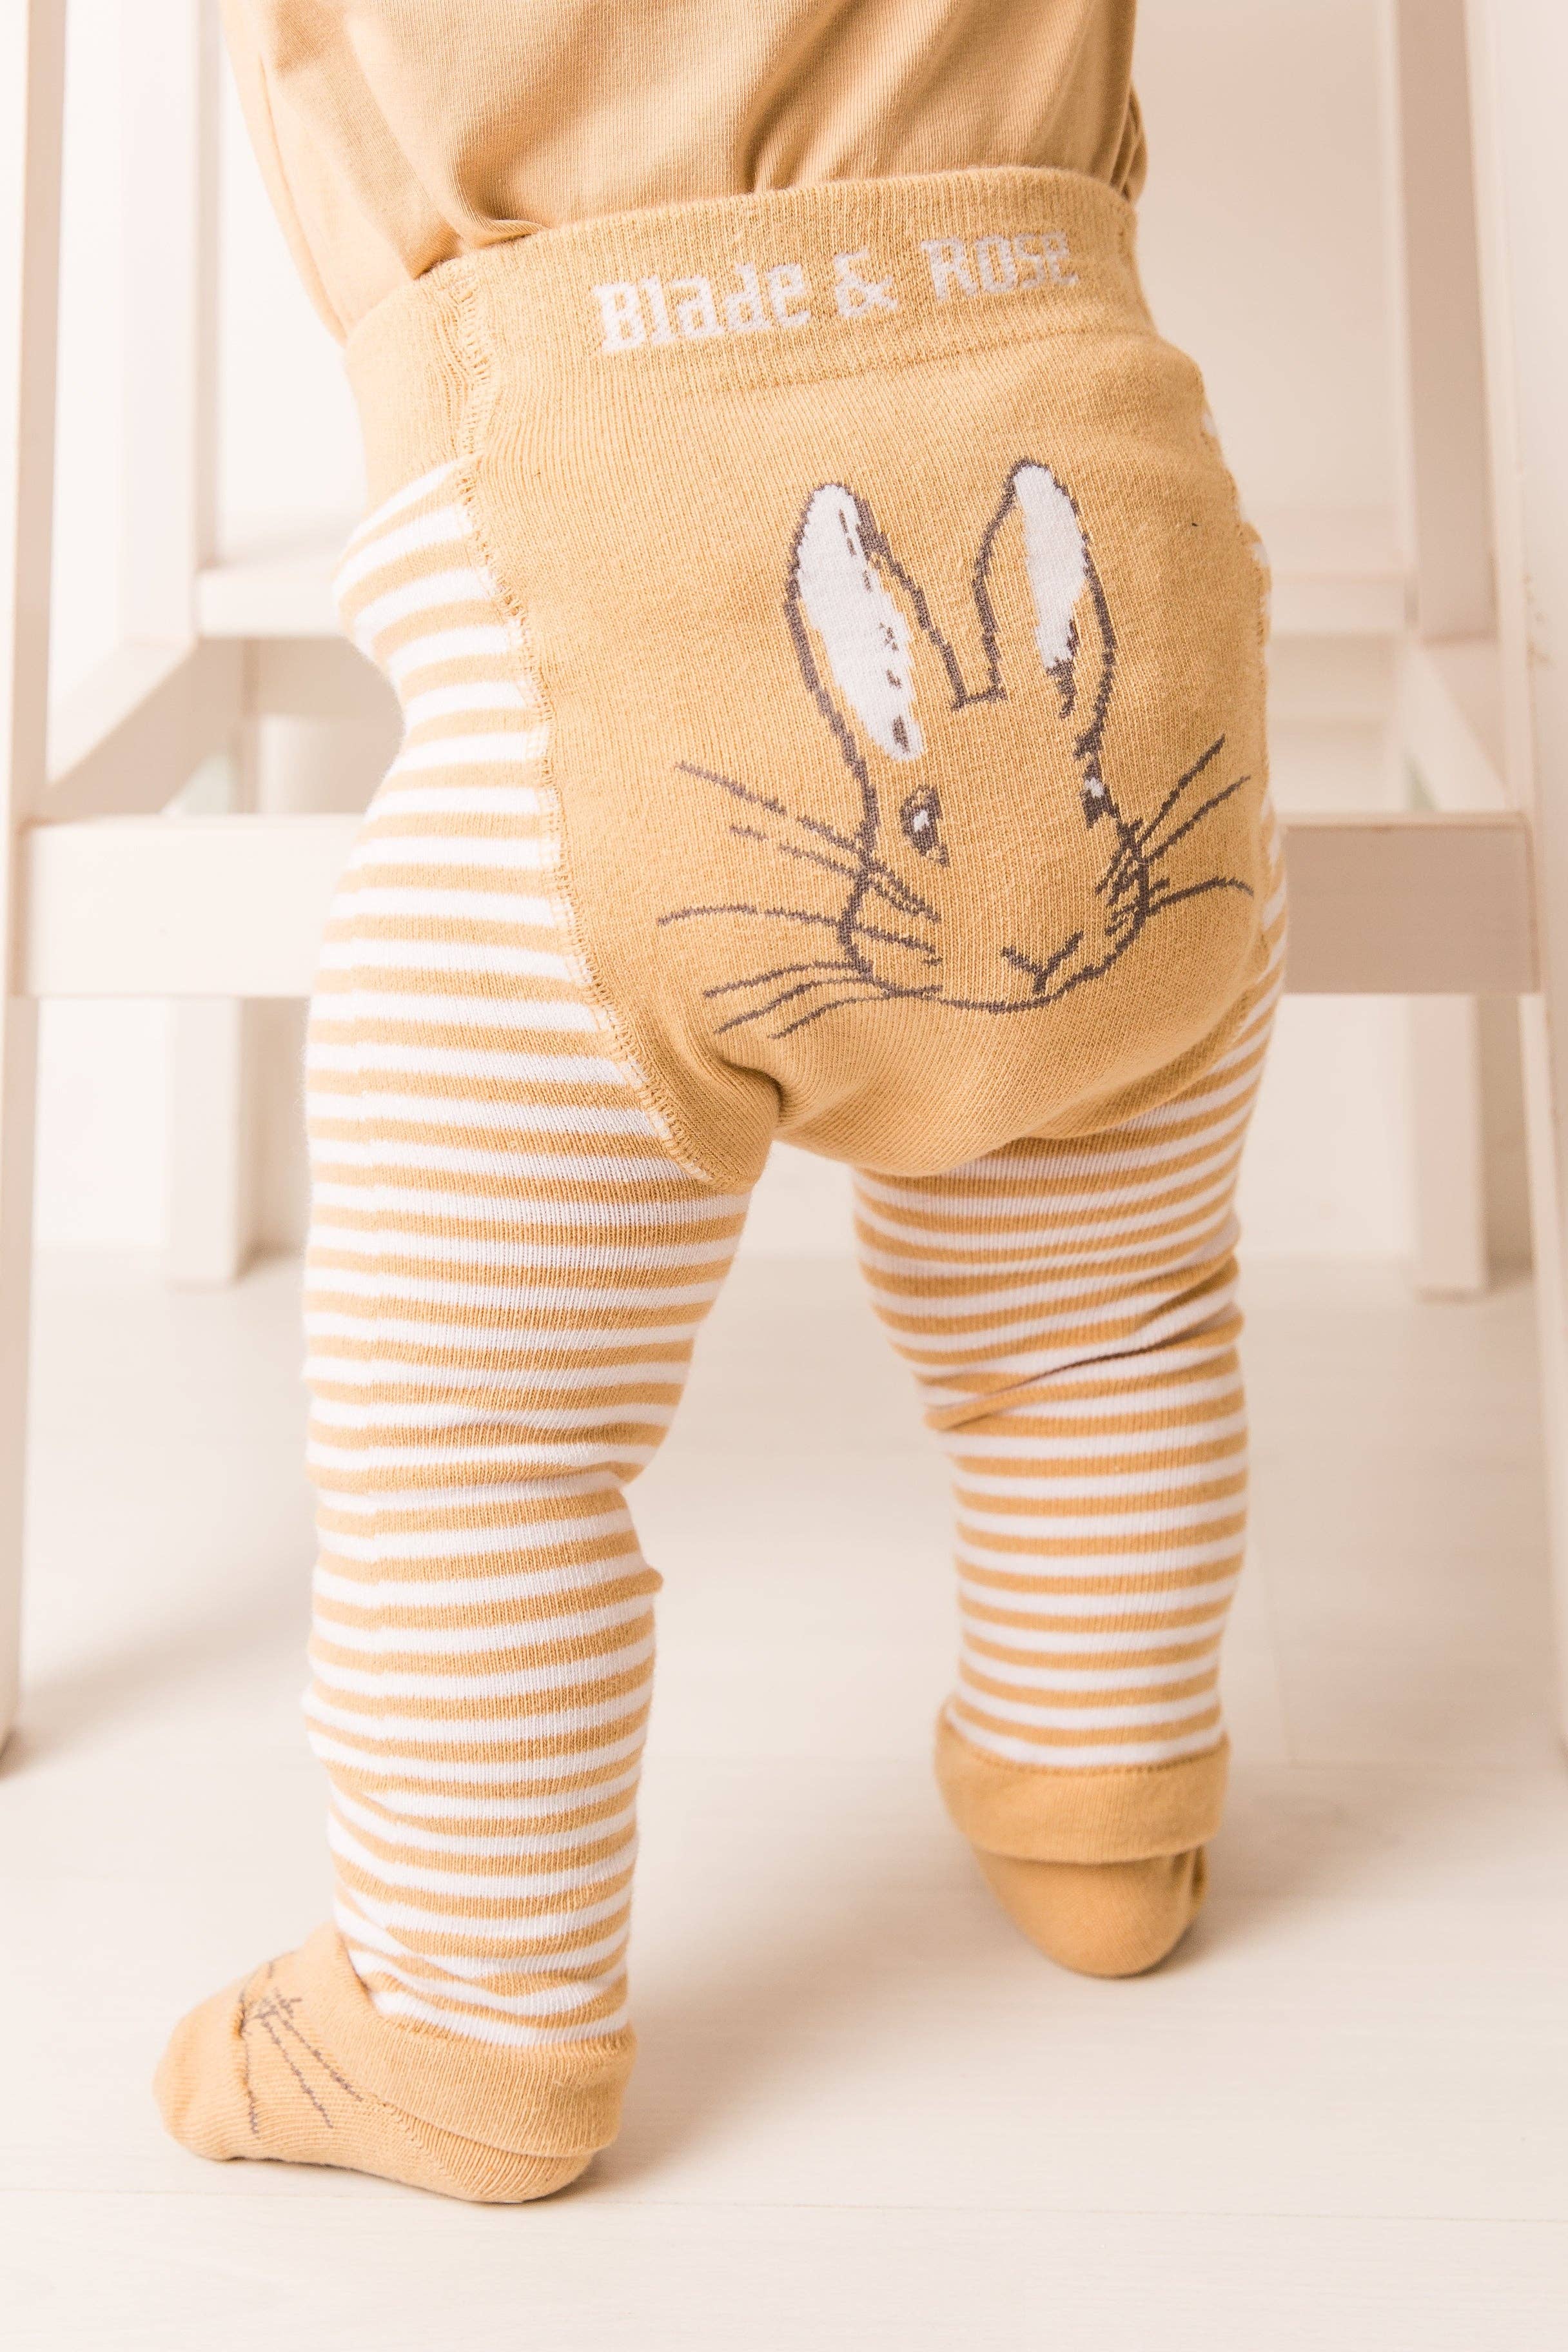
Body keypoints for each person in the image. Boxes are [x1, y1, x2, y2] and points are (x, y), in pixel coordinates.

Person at [155, 0, 1283, 2202]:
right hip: (1143, 633)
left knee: (478, 1419)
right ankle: (1104, 1803)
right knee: (1106, 1317)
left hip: (603, 639)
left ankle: (464, 2029)